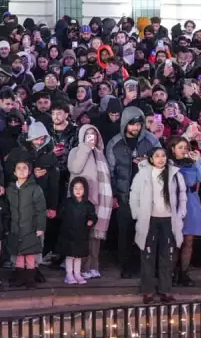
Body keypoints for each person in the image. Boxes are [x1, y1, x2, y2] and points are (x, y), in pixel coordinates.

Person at [106, 106, 160, 279]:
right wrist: (114, 195)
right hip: (124, 196)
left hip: (147, 196)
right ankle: (126, 266)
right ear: (124, 124)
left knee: (147, 232)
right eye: (132, 124)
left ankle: (145, 266)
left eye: (138, 124)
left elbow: (162, 163)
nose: (136, 127)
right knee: (125, 233)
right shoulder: (115, 143)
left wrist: (148, 163)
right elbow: (110, 172)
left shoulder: (151, 140)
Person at [129, 147, 187, 304]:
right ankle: (147, 290)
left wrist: (181, 213)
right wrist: (137, 214)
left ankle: (165, 290)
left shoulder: (175, 174)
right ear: (151, 159)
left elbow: (182, 195)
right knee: (148, 255)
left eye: (163, 155)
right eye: (157, 156)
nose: (161, 159)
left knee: (167, 256)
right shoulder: (143, 174)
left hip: (168, 220)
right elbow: (134, 195)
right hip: (150, 220)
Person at [67, 124, 113, 279]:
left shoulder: (100, 153)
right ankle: (82, 268)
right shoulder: (76, 150)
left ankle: (94, 265)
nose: (91, 137)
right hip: (82, 199)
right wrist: (85, 148)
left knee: (96, 235)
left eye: (94, 134)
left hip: (99, 199)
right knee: (83, 235)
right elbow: (74, 168)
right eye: (88, 134)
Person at [166, 136, 201, 287]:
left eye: (186, 147)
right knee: (173, 241)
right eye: (180, 147)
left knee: (188, 241)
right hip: (173, 205)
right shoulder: (168, 164)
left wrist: (199, 161)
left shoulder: (193, 165)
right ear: (173, 149)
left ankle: (184, 273)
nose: (184, 150)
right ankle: (170, 273)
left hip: (192, 204)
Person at [6, 159, 47, 289]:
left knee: (30, 253)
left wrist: (40, 227)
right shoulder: (10, 189)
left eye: (25, 168)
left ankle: (30, 279)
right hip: (15, 227)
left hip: (31, 227)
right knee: (18, 253)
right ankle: (19, 278)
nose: (22, 170)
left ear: (29, 172)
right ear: (14, 172)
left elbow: (41, 209)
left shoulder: (35, 189)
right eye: (19, 168)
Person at [56, 177, 98, 285]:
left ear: (85, 190)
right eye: (76, 188)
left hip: (81, 235)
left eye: (81, 188)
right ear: (71, 189)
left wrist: (91, 221)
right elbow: (60, 214)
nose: (78, 191)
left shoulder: (88, 205)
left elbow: (93, 217)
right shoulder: (67, 203)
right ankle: (69, 274)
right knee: (70, 255)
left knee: (78, 256)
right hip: (68, 234)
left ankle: (77, 274)